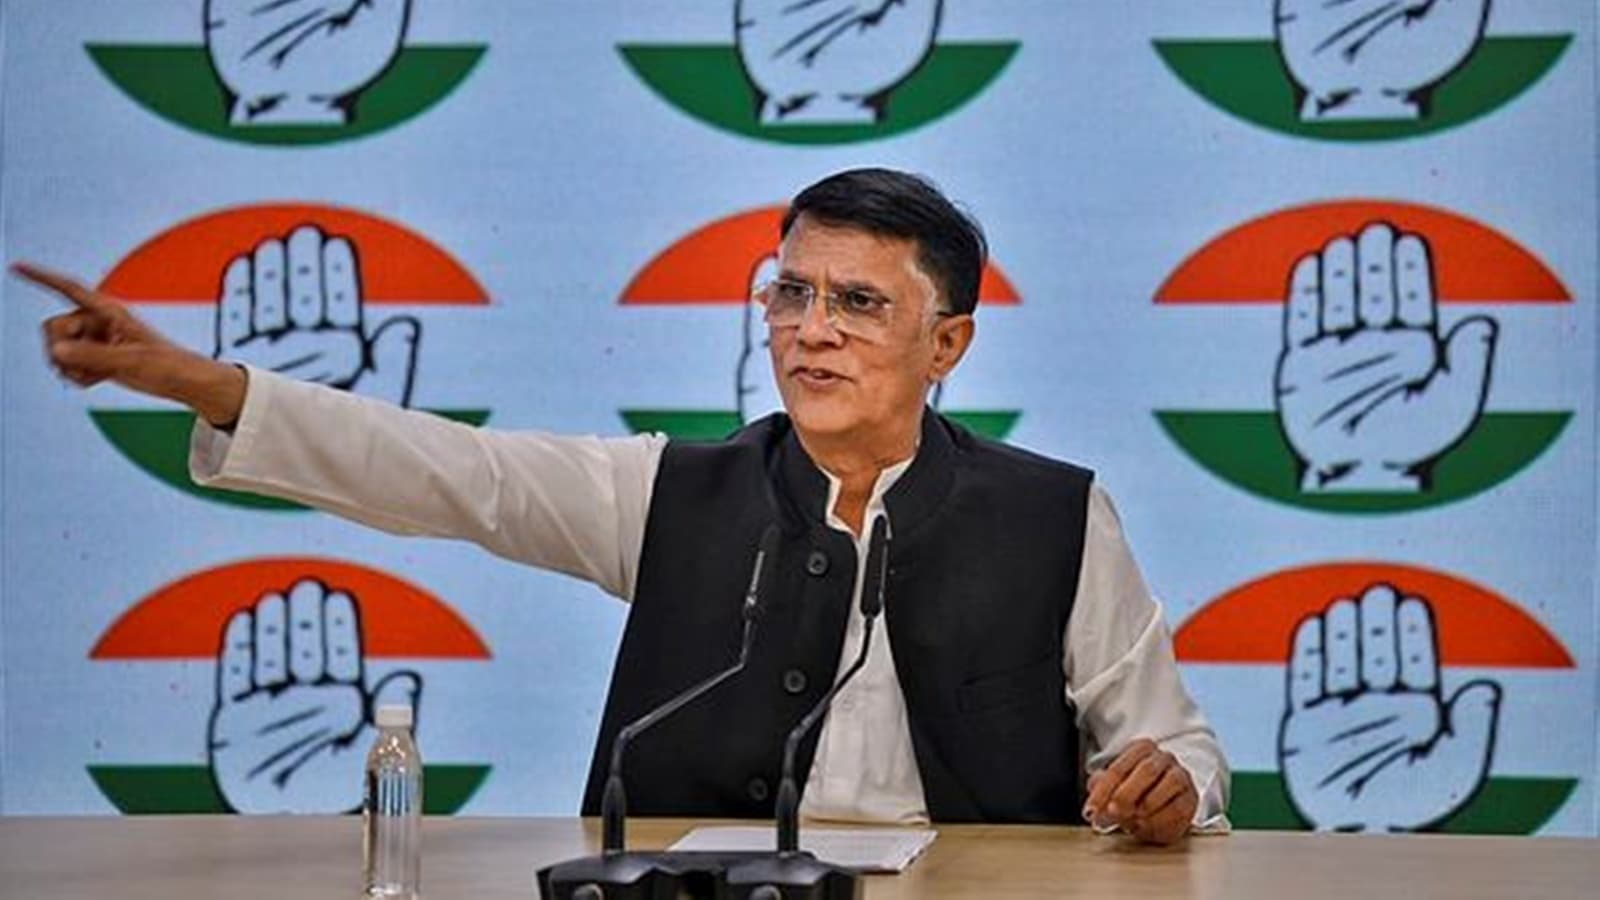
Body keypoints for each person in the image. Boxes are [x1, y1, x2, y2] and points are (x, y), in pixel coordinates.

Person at [14, 168, 1227, 844]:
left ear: (946, 343)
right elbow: (448, 472)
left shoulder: (1055, 515)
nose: (810, 329)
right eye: (789, 294)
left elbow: (1178, 750)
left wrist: (1167, 788)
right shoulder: (670, 492)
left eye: (857, 304)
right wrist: (198, 382)